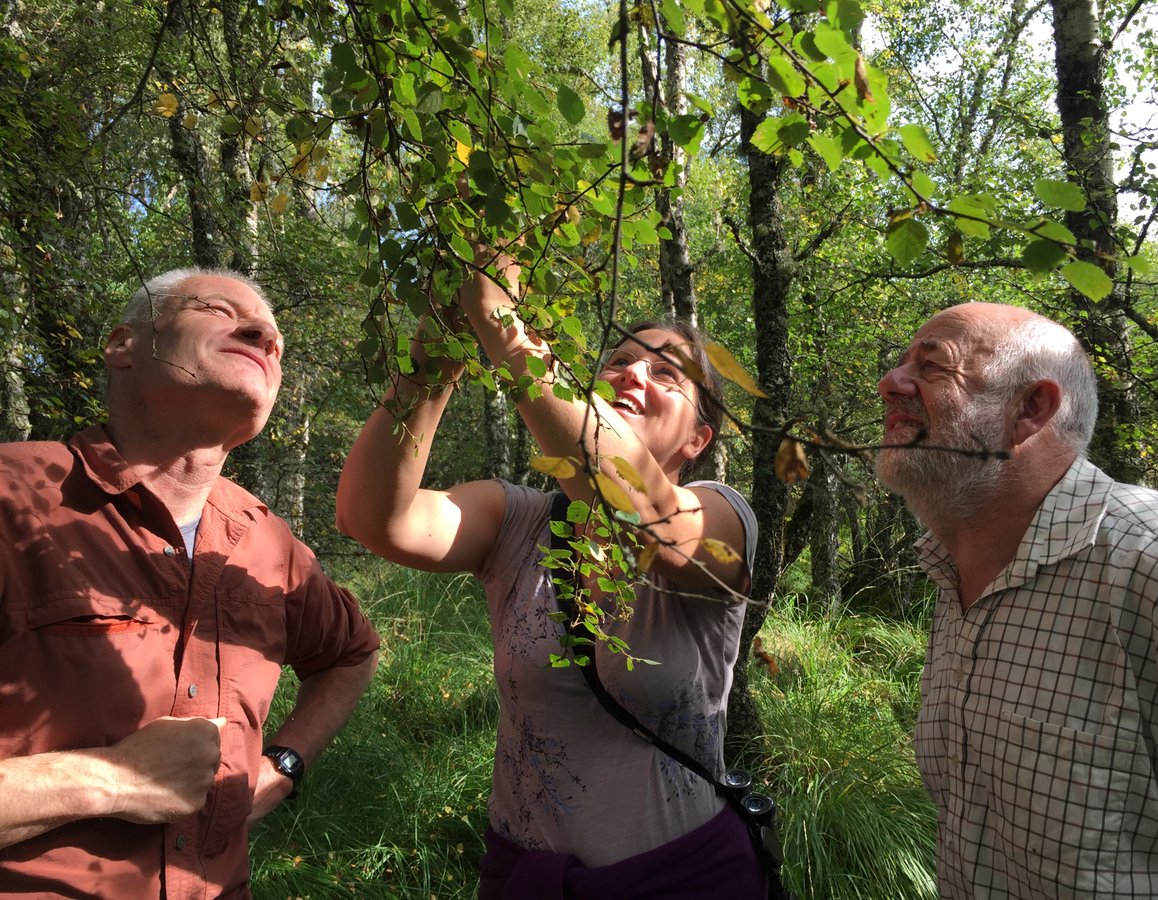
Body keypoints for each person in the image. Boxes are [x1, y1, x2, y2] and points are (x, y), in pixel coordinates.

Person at [336, 247, 766, 898]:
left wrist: (502, 318)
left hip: (685, 876)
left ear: (697, 441)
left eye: (666, 374)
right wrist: (444, 343)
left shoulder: (722, 520)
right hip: (523, 877)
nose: (633, 375)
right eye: (618, 362)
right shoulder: (519, 522)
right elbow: (376, 517)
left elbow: (646, 507)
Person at [0, 269, 380, 898]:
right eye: (217, 309)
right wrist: (106, 780)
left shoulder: (270, 543)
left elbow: (351, 654)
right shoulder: (14, 496)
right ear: (124, 346)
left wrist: (282, 765)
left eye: (275, 339)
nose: (264, 335)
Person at [876, 301, 1158, 898]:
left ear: (1031, 409)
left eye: (932, 366)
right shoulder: (952, 570)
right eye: (901, 364)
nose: (890, 384)